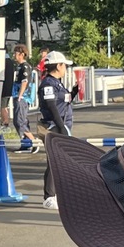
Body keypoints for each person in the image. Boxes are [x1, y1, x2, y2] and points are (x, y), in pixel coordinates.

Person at [38, 51, 75, 210]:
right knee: (54, 161)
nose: (66, 68)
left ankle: (55, 194)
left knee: (59, 161)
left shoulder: (57, 82)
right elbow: (51, 105)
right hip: (53, 126)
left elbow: (62, 101)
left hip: (61, 125)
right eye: (64, 65)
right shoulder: (48, 84)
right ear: (58, 66)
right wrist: (60, 126)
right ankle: (49, 196)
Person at [11, 44, 39, 153]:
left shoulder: (25, 67)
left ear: (22, 54)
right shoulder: (19, 66)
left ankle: (33, 140)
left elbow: (25, 81)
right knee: (19, 120)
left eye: (16, 53)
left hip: (22, 97)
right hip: (18, 96)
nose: (14, 55)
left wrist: (20, 95)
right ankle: (25, 142)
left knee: (20, 121)